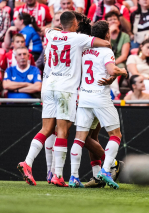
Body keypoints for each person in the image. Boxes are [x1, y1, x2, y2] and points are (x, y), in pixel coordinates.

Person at [18, 11, 111, 187]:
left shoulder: (53, 34)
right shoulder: (78, 38)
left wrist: (61, 28)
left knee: (46, 129)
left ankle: (27, 162)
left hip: (49, 86)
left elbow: (47, 29)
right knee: (63, 132)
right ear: (75, 23)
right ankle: (58, 175)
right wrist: (104, 40)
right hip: (66, 89)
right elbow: (104, 43)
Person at [69, 20, 128, 188]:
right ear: (107, 35)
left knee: (80, 138)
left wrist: (111, 77)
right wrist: (123, 71)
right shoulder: (106, 51)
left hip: (84, 97)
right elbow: (111, 69)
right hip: (100, 97)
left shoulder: (84, 51)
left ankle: (74, 177)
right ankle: (106, 170)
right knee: (115, 135)